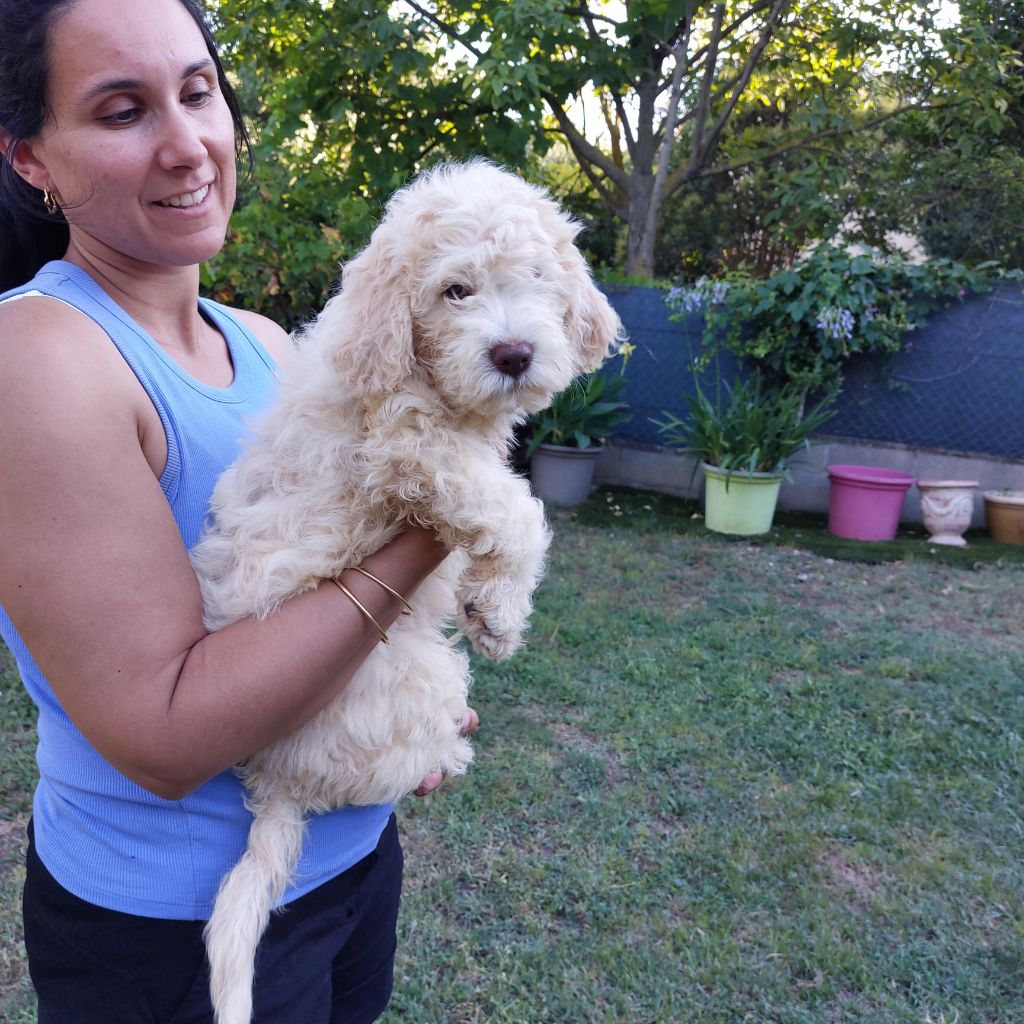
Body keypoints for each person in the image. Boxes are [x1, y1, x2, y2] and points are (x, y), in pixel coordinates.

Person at [0, 0, 478, 1020]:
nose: (187, 145)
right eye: (123, 110)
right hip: (176, 927)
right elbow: (164, 731)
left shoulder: (260, 340)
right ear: (30, 158)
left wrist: (400, 713)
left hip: (344, 858)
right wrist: (442, 515)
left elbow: (317, 600)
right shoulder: (37, 361)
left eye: (197, 92)